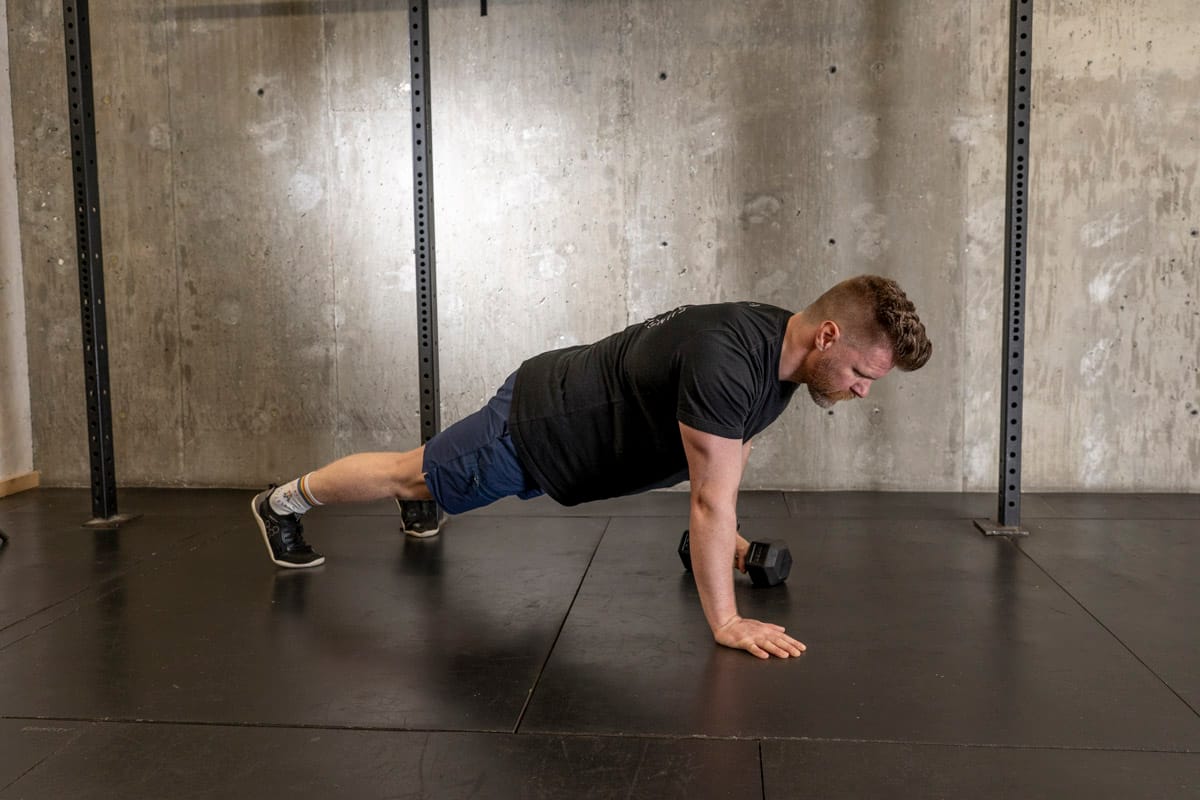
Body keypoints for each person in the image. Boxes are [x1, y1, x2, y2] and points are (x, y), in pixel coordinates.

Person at [250, 274, 932, 659]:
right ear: (828, 335)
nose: (862, 391)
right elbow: (707, 502)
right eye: (863, 374)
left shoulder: (777, 355)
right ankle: (284, 502)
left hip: (574, 420)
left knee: (432, 479)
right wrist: (725, 622)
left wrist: (729, 542)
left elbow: (724, 468)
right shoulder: (730, 363)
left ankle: (425, 496)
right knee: (410, 471)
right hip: (537, 429)